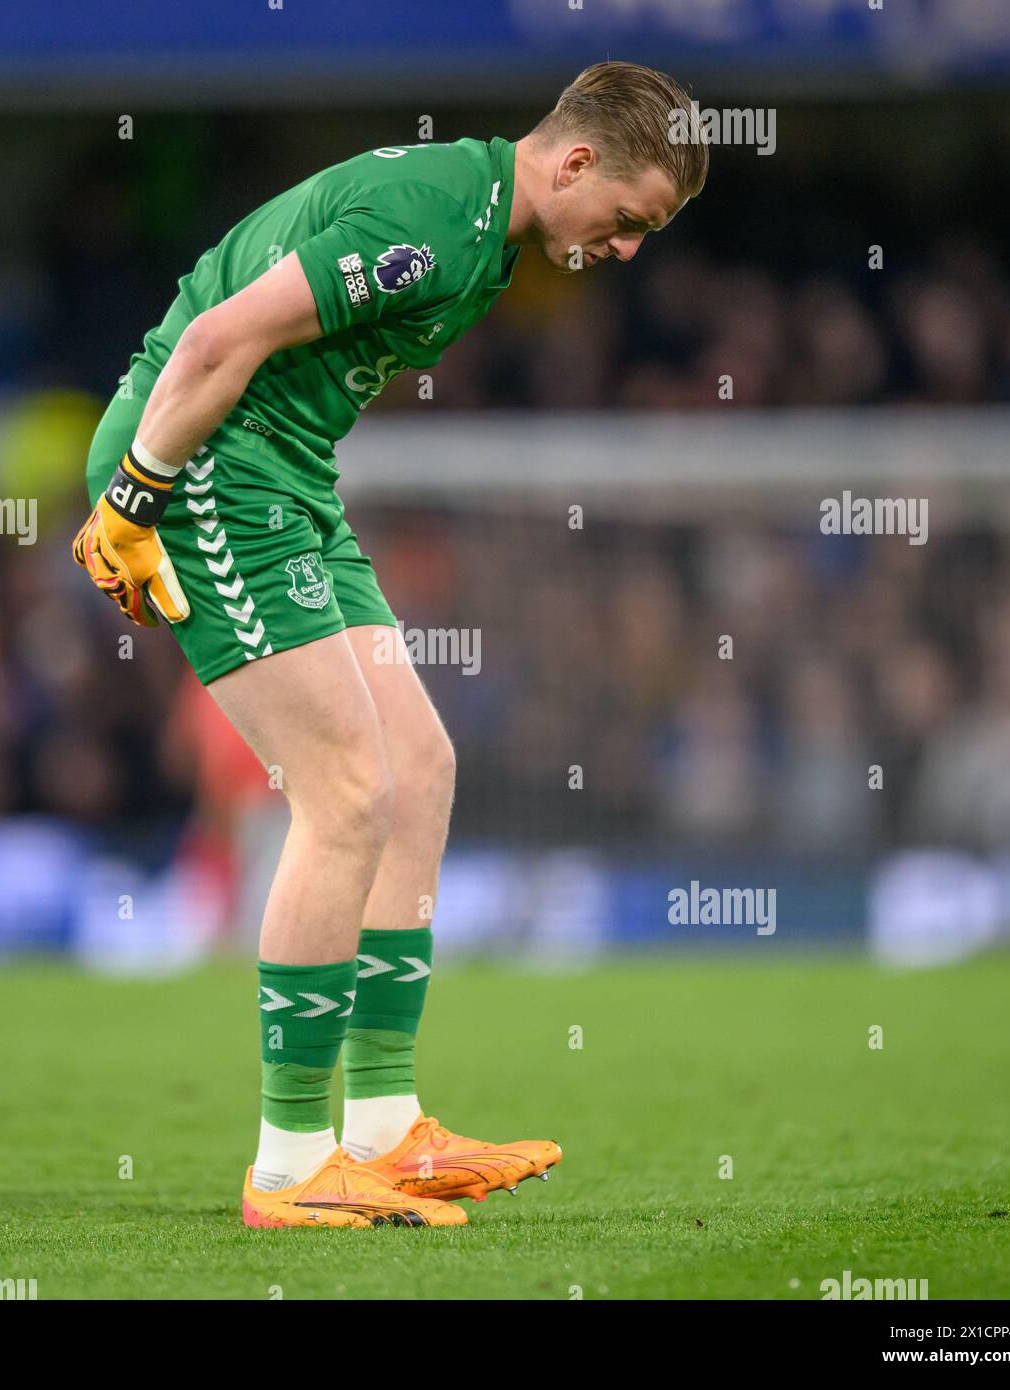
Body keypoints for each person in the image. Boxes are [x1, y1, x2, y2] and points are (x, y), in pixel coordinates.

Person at [73, 61, 707, 1228]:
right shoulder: (434, 221)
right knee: (346, 793)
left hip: (284, 476)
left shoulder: (485, 228)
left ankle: (379, 1126)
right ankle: (285, 1162)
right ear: (572, 163)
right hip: (205, 465)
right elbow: (215, 338)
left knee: (417, 768)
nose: (625, 252)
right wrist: (134, 491)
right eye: (628, 222)